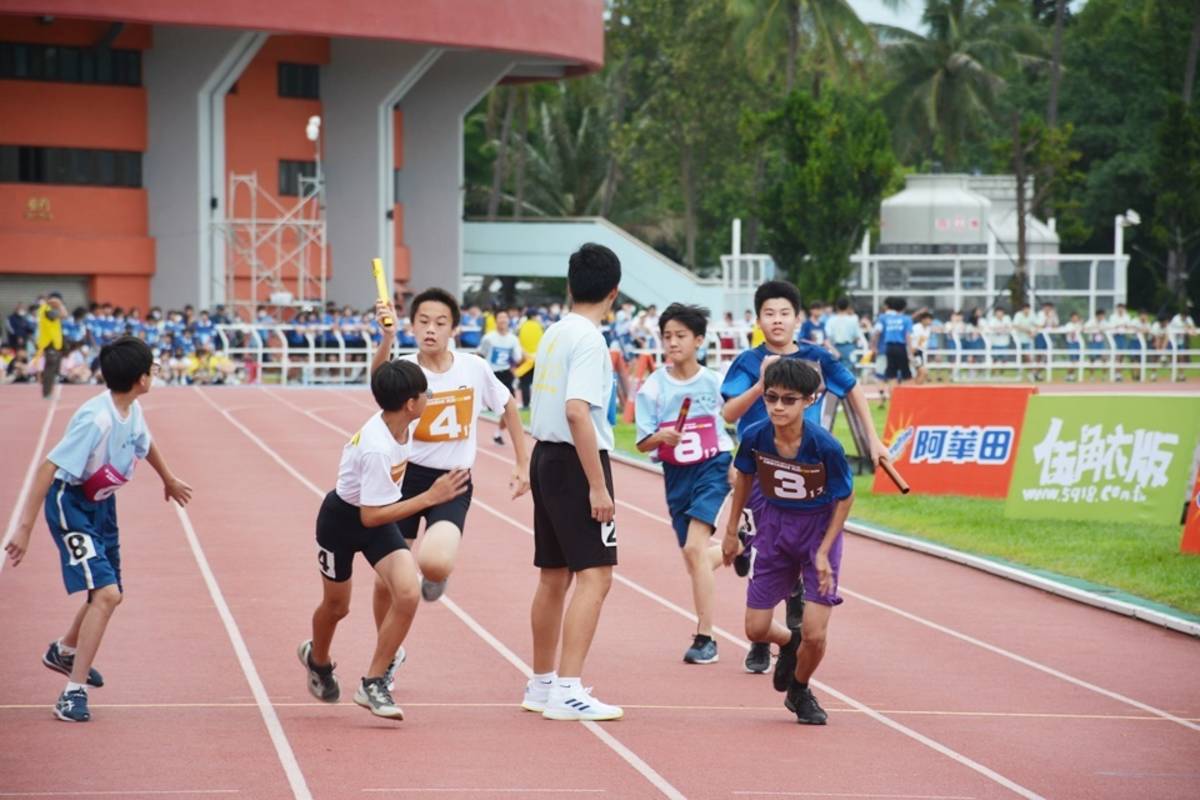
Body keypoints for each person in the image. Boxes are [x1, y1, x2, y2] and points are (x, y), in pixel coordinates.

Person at [5, 337, 193, 722]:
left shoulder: (131, 409)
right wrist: (24, 528)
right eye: (152, 370)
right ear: (141, 379)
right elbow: (48, 467)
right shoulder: (97, 419)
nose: (154, 374)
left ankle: (64, 650)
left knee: (108, 593)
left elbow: (145, 442)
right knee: (107, 595)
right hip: (70, 505)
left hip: (101, 505)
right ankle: (72, 692)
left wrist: (169, 479)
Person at [720, 280, 885, 675]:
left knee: (797, 543)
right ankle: (764, 639)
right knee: (770, 545)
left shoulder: (818, 357)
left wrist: (874, 440)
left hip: (808, 466)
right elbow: (729, 413)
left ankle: (792, 612)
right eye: (769, 314)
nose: (777, 321)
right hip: (762, 467)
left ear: (798, 318)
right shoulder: (748, 360)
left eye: (784, 313)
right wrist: (763, 384)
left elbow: (852, 389)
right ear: (758, 319)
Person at [299, 356, 470, 720]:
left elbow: (383, 374)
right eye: (425, 395)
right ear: (410, 404)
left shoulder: (402, 425)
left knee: (407, 593)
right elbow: (370, 515)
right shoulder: (378, 446)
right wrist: (430, 498)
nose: (430, 400)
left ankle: (373, 681)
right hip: (341, 523)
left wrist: (387, 339)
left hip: (377, 519)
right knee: (337, 607)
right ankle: (318, 660)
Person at [370, 290, 529, 604]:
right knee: (384, 581)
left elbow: (508, 405)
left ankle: (436, 574)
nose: (431, 329)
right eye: (424, 322)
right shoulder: (404, 368)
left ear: (454, 329)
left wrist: (523, 463)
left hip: (453, 480)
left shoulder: (473, 367)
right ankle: (387, 653)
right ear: (412, 326)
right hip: (405, 478)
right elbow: (378, 382)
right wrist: (387, 338)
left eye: (440, 323)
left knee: (434, 561)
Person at [522, 242, 624, 722]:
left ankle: (542, 684)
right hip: (574, 460)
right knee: (596, 576)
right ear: (614, 292)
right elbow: (577, 411)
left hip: (546, 456)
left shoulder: (554, 333)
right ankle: (567, 688)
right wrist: (597, 486)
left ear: (569, 285)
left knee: (553, 575)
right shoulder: (590, 339)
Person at [722, 359, 854, 725]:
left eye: (789, 400)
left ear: (809, 401)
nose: (778, 407)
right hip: (775, 529)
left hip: (817, 534)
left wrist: (825, 551)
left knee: (814, 633)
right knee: (756, 629)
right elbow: (745, 479)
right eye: (771, 398)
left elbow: (845, 497)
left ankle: (800, 687)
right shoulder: (755, 436)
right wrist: (732, 529)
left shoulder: (825, 446)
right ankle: (787, 643)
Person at [634, 303, 737, 665]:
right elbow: (642, 441)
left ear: (698, 340)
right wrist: (661, 437)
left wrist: (737, 461)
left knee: (695, 549)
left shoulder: (715, 381)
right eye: (667, 336)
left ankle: (706, 638)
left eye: (680, 336)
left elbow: (735, 419)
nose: (673, 343)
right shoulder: (653, 387)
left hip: (713, 466)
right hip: (676, 474)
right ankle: (735, 548)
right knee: (694, 560)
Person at [478, 309, 525, 446]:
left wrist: (519, 356)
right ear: (496, 320)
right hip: (491, 374)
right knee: (479, 405)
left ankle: (498, 433)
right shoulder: (488, 338)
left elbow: (517, 358)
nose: (503, 320)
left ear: (508, 321)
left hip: (505, 374)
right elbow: (480, 354)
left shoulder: (513, 339)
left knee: (510, 406)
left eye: (505, 318)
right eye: (500, 318)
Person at [870, 296, 913, 399]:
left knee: (891, 374)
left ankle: (894, 400)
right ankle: (907, 398)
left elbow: (877, 332)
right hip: (900, 347)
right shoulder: (906, 319)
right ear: (904, 307)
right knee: (906, 374)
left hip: (888, 347)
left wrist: (873, 346)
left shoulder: (886, 319)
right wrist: (910, 352)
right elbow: (908, 335)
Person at [35, 292, 68, 399]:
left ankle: (48, 392)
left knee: (53, 369)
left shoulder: (47, 309)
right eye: (58, 301)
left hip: (54, 344)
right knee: (50, 369)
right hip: (50, 343)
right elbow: (64, 315)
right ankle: (47, 393)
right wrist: (60, 305)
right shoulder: (47, 310)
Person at [515, 309, 544, 409]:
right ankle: (537, 403)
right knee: (537, 383)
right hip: (537, 358)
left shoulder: (522, 326)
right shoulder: (538, 326)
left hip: (525, 358)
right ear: (533, 316)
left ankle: (525, 404)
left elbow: (518, 341)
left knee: (524, 383)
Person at [826, 298, 860, 364]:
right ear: (848, 307)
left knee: (836, 370)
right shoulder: (853, 320)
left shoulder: (831, 320)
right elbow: (857, 337)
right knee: (849, 371)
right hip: (849, 347)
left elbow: (827, 336)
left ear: (837, 307)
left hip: (835, 347)